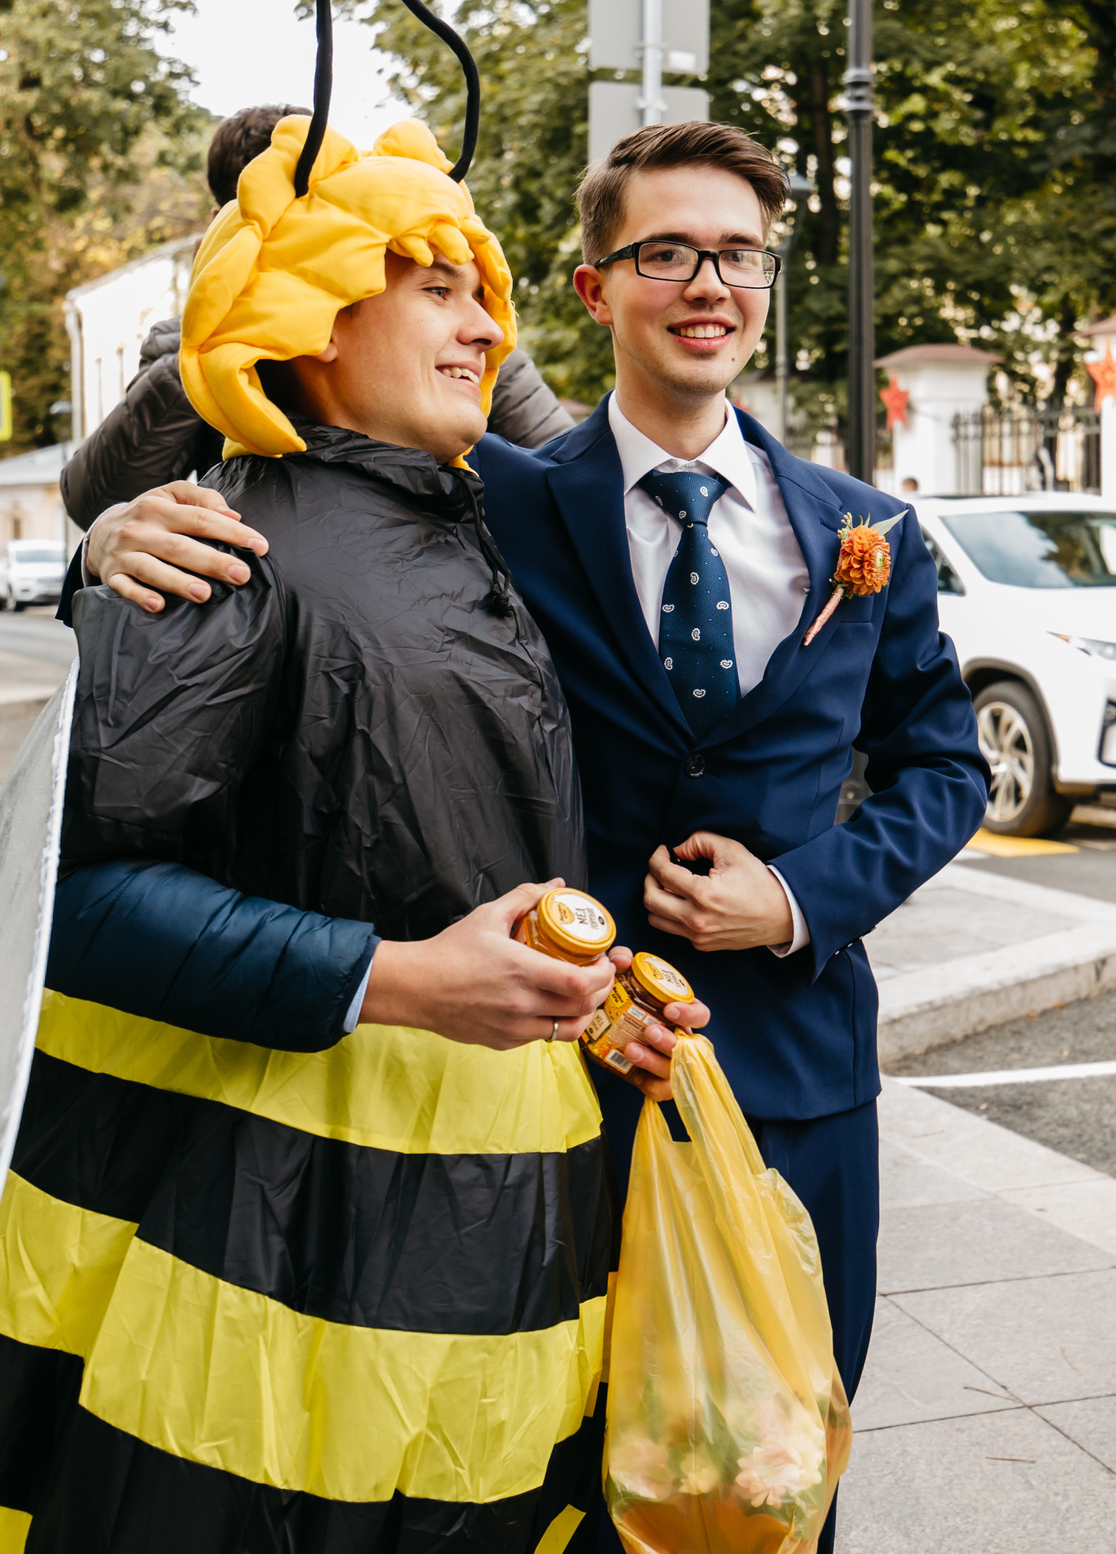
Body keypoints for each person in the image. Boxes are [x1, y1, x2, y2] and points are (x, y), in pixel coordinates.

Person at [0, 116, 687, 1551]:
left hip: (483, 1208)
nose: (490, 329)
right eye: (438, 288)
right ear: (313, 315)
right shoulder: (213, 546)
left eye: (483, 292)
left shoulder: (485, 519)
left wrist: (587, 991)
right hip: (272, 1226)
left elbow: (459, 825)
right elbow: (78, 899)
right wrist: (395, 978)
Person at [81, 120, 990, 1553]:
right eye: (666, 252)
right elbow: (278, 473)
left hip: (795, 1082)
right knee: (543, 1483)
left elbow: (944, 767)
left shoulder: (865, 528)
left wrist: (801, 897)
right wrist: (114, 533)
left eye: (740, 254)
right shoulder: (486, 496)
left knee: (769, 1483)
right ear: (592, 287)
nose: (709, 283)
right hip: (547, 1083)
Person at [60, 102, 576, 528]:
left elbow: (560, 479)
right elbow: (99, 504)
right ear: (218, 235)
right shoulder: (182, 358)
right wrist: (218, 334)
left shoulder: (456, 340)